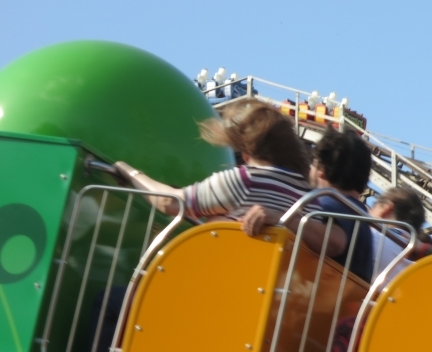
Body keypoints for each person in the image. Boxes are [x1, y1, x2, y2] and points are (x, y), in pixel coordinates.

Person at [115, 101, 331, 249]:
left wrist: (132, 173)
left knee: (107, 302)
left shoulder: (245, 181)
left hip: (226, 285)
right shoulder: (310, 197)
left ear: (246, 153)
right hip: (278, 297)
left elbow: (169, 202)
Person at [241, 126, 375, 282]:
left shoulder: (328, 204)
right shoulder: (361, 215)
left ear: (321, 169)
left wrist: (280, 217)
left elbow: (335, 242)